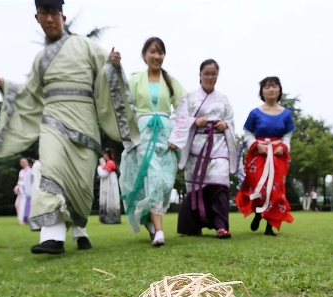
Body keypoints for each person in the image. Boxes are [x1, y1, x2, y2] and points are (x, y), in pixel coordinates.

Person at [0, 0, 137, 255]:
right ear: (38, 18)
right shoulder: (40, 59)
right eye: (45, 13)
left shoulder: (86, 46)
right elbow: (29, 94)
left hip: (85, 123)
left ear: (62, 17)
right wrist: (4, 84)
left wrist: (114, 65)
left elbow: (107, 75)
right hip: (52, 122)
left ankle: (79, 229)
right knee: (50, 171)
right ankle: (52, 236)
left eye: (54, 13)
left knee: (81, 185)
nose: (50, 18)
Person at [119, 37, 187, 247]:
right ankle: (159, 231)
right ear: (144, 55)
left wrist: (177, 136)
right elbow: (123, 105)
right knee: (152, 178)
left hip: (166, 139)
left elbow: (184, 109)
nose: (156, 56)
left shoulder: (171, 81)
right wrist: (131, 137)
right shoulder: (135, 80)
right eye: (152, 52)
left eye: (160, 52)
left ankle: (150, 221)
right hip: (143, 137)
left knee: (165, 183)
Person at [168, 59, 237, 239]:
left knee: (220, 183)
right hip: (196, 147)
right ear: (200, 75)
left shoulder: (223, 99)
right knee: (196, 188)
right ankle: (194, 226)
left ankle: (221, 226)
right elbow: (179, 118)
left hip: (219, 145)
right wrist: (194, 121)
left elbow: (231, 119)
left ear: (217, 76)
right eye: (206, 73)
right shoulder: (190, 97)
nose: (210, 77)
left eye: (213, 74)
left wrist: (226, 124)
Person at [235, 77, 295, 236]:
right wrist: (256, 146)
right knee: (257, 186)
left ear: (279, 90)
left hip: (277, 156)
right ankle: (257, 213)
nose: (271, 90)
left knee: (276, 189)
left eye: (274, 86)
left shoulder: (286, 114)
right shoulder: (254, 113)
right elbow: (248, 134)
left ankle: (270, 225)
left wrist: (283, 147)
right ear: (262, 91)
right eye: (267, 87)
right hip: (259, 155)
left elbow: (287, 136)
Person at [97, 148, 121, 224]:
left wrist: (99, 167)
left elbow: (103, 174)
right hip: (109, 182)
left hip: (110, 183)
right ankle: (109, 217)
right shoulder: (109, 162)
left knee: (110, 199)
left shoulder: (110, 163)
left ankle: (111, 218)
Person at [14, 157, 32, 225]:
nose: (22, 163)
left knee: (26, 205)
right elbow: (20, 181)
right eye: (21, 162)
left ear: (27, 162)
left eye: (24, 161)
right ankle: (21, 218)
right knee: (18, 205)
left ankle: (25, 219)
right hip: (21, 190)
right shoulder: (21, 171)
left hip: (27, 191)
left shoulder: (30, 170)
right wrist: (17, 186)